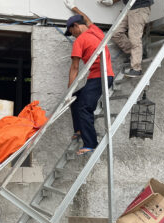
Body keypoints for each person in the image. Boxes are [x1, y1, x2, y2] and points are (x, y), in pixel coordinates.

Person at [63, 0, 115, 155]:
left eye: (71, 31)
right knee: (76, 99)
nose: (72, 35)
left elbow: (74, 68)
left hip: (99, 77)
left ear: (75, 27)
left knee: (84, 107)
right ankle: (79, 129)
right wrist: (74, 8)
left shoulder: (79, 40)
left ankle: (91, 143)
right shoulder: (96, 31)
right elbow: (86, 18)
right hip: (106, 76)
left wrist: (68, 91)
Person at [98, 0, 154, 77]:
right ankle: (136, 55)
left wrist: (112, 1)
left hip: (139, 8)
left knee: (134, 38)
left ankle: (136, 69)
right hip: (129, 8)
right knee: (116, 33)